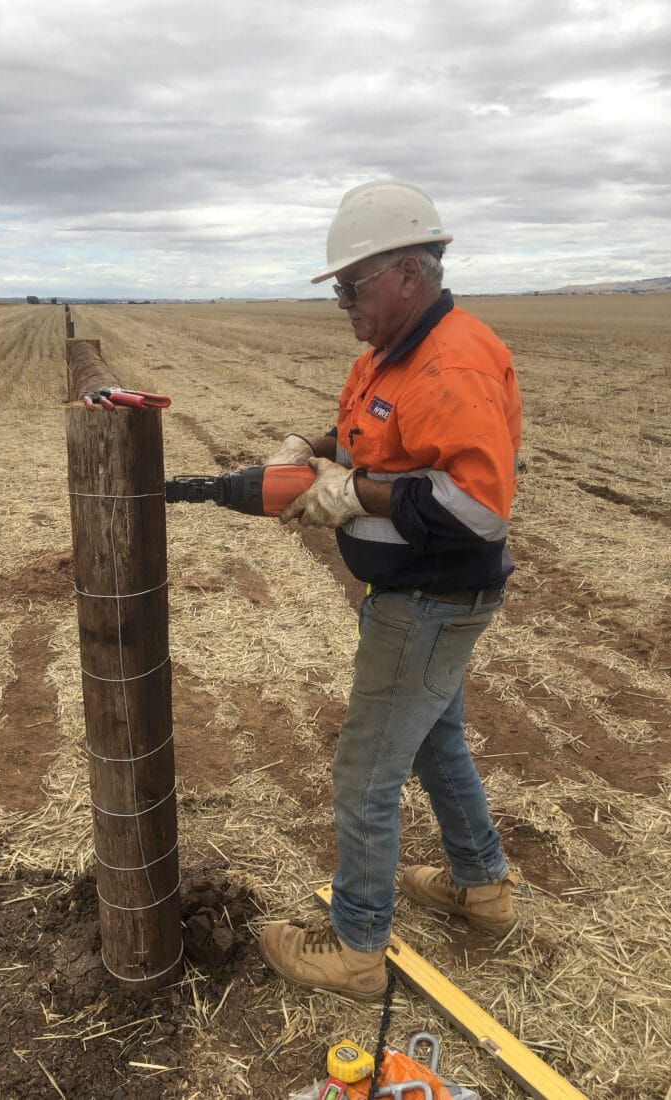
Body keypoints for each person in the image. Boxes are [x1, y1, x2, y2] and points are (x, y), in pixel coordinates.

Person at [258, 180, 523, 1003]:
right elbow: (367, 425)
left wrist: (355, 494)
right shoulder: (391, 351)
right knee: (436, 738)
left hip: (430, 600)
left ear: (409, 273)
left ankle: (355, 945)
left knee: (363, 774)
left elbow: (477, 509)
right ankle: (481, 888)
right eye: (337, 287)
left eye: (352, 283)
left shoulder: (451, 362)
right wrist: (314, 442)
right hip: (420, 597)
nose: (342, 301)